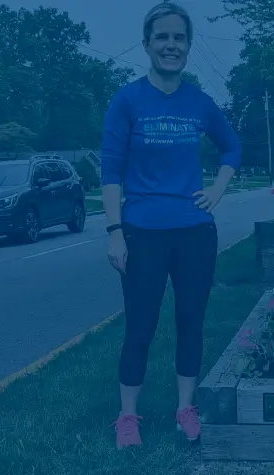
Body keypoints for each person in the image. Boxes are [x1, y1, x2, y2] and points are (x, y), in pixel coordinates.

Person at [100, 2, 241, 448]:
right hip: (142, 232)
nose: (170, 45)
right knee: (140, 325)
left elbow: (232, 148)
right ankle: (128, 417)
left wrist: (217, 189)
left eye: (178, 38)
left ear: (188, 46)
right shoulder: (127, 99)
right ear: (147, 44)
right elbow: (110, 170)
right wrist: (115, 231)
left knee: (190, 321)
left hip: (194, 232)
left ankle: (185, 407)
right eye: (162, 37)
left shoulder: (199, 102)